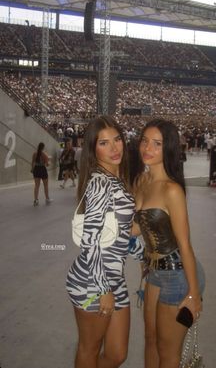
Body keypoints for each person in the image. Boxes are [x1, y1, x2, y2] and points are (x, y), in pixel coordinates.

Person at [66, 116, 143, 368]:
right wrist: (103, 290)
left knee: (117, 354)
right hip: (92, 283)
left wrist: (143, 254)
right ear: (93, 149)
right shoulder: (100, 182)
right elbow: (90, 242)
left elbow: (122, 233)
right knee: (89, 350)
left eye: (117, 139)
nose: (114, 148)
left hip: (114, 279)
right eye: (104, 143)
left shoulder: (117, 179)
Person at [132, 118, 205, 368]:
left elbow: (185, 244)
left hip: (178, 274)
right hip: (153, 273)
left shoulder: (172, 190)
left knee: (168, 352)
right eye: (144, 141)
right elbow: (135, 229)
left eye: (156, 144)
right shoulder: (141, 182)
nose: (147, 148)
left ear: (168, 149)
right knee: (150, 339)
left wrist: (194, 294)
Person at [31, 142, 52, 206]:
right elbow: (47, 164)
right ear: (43, 147)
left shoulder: (34, 154)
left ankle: (36, 200)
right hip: (42, 169)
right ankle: (47, 199)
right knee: (45, 185)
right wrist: (49, 162)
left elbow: (32, 162)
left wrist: (32, 169)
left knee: (36, 186)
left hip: (36, 169)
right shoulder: (44, 155)